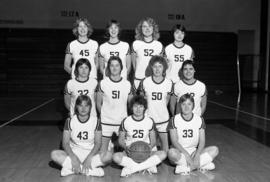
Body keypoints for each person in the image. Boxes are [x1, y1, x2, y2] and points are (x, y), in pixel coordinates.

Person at [51, 95, 112, 177]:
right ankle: (88, 171)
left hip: (91, 152)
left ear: (90, 107)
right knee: (54, 154)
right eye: (80, 105)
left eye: (86, 105)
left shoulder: (96, 121)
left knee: (109, 155)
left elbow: (98, 143)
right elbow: (65, 143)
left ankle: (73, 169)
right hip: (74, 152)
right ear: (76, 106)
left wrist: (89, 158)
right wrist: (74, 158)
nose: (83, 109)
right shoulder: (70, 121)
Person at [113, 95, 167, 177]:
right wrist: (125, 147)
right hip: (130, 152)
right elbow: (120, 140)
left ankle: (132, 168)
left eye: (141, 106)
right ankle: (147, 166)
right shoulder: (126, 121)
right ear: (131, 108)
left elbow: (153, 141)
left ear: (144, 108)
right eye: (135, 106)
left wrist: (149, 148)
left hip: (146, 151)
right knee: (115, 157)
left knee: (163, 154)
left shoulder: (149, 121)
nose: (138, 109)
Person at [168, 93, 219, 175]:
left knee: (215, 150)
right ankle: (201, 165)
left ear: (193, 106)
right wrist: (186, 155)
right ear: (180, 106)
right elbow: (174, 141)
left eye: (189, 104)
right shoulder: (174, 119)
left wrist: (197, 154)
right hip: (179, 152)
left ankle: (185, 168)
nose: (186, 107)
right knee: (171, 152)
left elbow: (202, 141)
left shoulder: (199, 119)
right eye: (183, 104)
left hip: (194, 151)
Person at [96, 56, 133, 153]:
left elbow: (131, 104)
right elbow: (98, 103)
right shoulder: (103, 83)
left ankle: (114, 145)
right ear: (108, 68)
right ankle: (110, 145)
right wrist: (104, 115)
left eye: (117, 65)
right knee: (102, 154)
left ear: (121, 67)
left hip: (121, 122)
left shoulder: (127, 84)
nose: (114, 68)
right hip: (106, 122)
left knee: (124, 154)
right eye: (112, 65)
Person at [138, 55, 173, 152]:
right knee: (148, 148)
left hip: (163, 119)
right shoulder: (145, 81)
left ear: (164, 68)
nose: (157, 69)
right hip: (148, 118)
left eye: (160, 66)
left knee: (166, 150)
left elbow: (167, 101)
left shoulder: (169, 83)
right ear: (151, 67)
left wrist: (159, 110)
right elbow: (141, 102)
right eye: (155, 66)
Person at [131, 17, 164, 89]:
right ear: (140, 29)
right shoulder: (136, 44)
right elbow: (134, 65)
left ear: (153, 29)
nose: (147, 29)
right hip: (138, 80)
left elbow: (161, 65)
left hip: (154, 80)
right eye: (144, 26)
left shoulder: (158, 45)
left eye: (150, 26)